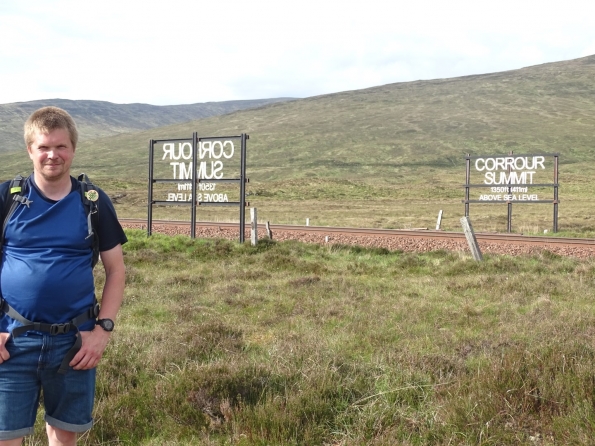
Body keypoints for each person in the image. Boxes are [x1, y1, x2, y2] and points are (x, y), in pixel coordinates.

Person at [0, 106, 127, 445]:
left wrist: (103, 331)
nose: (52, 155)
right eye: (43, 147)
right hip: (11, 341)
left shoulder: (93, 201)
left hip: (75, 341)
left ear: (73, 149)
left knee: (63, 437)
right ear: (30, 150)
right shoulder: (6, 198)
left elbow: (116, 270)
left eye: (61, 146)